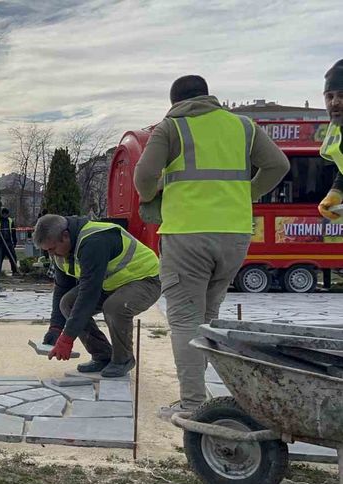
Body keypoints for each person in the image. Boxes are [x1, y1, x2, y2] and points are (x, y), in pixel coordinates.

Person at [133, 75, 289, 417]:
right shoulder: (243, 127)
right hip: (234, 235)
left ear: (175, 102)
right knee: (206, 316)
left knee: (186, 320)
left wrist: (151, 196)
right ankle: (197, 398)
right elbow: (279, 165)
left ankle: (193, 406)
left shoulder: (172, 127)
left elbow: (143, 175)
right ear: (208, 96)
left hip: (188, 235)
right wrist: (246, 194)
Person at [33, 214, 161, 378]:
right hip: (111, 283)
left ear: (65, 236)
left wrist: (67, 339)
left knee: (115, 307)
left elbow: (88, 295)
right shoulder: (60, 253)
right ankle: (103, 355)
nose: (51, 254)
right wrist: (55, 328)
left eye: (52, 249)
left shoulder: (94, 241)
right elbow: (62, 290)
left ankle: (123, 360)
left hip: (146, 279)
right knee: (68, 303)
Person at [318, 59, 343, 220]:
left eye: (342, 95)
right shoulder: (337, 130)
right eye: (329, 96)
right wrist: (335, 192)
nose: (334, 102)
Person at [0, 207, 19, 275]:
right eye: (4, 214)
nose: (5, 215)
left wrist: (15, 242)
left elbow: (13, 231)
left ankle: (15, 271)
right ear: (2, 214)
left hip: (8, 242)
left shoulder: (10, 220)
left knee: (13, 257)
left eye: (6, 214)